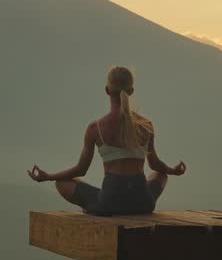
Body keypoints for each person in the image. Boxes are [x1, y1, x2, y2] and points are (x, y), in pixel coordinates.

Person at [28, 66, 185, 215]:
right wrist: (173, 171)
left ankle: (93, 207)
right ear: (131, 91)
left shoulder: (95, 128)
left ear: (107, 90)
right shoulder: (146, 125)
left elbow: (81, 170)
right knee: (161, 174)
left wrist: (48, 176)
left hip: (109, 203)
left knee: (61, 183)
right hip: (143, 202)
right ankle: (106, 205)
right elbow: (155, 165)